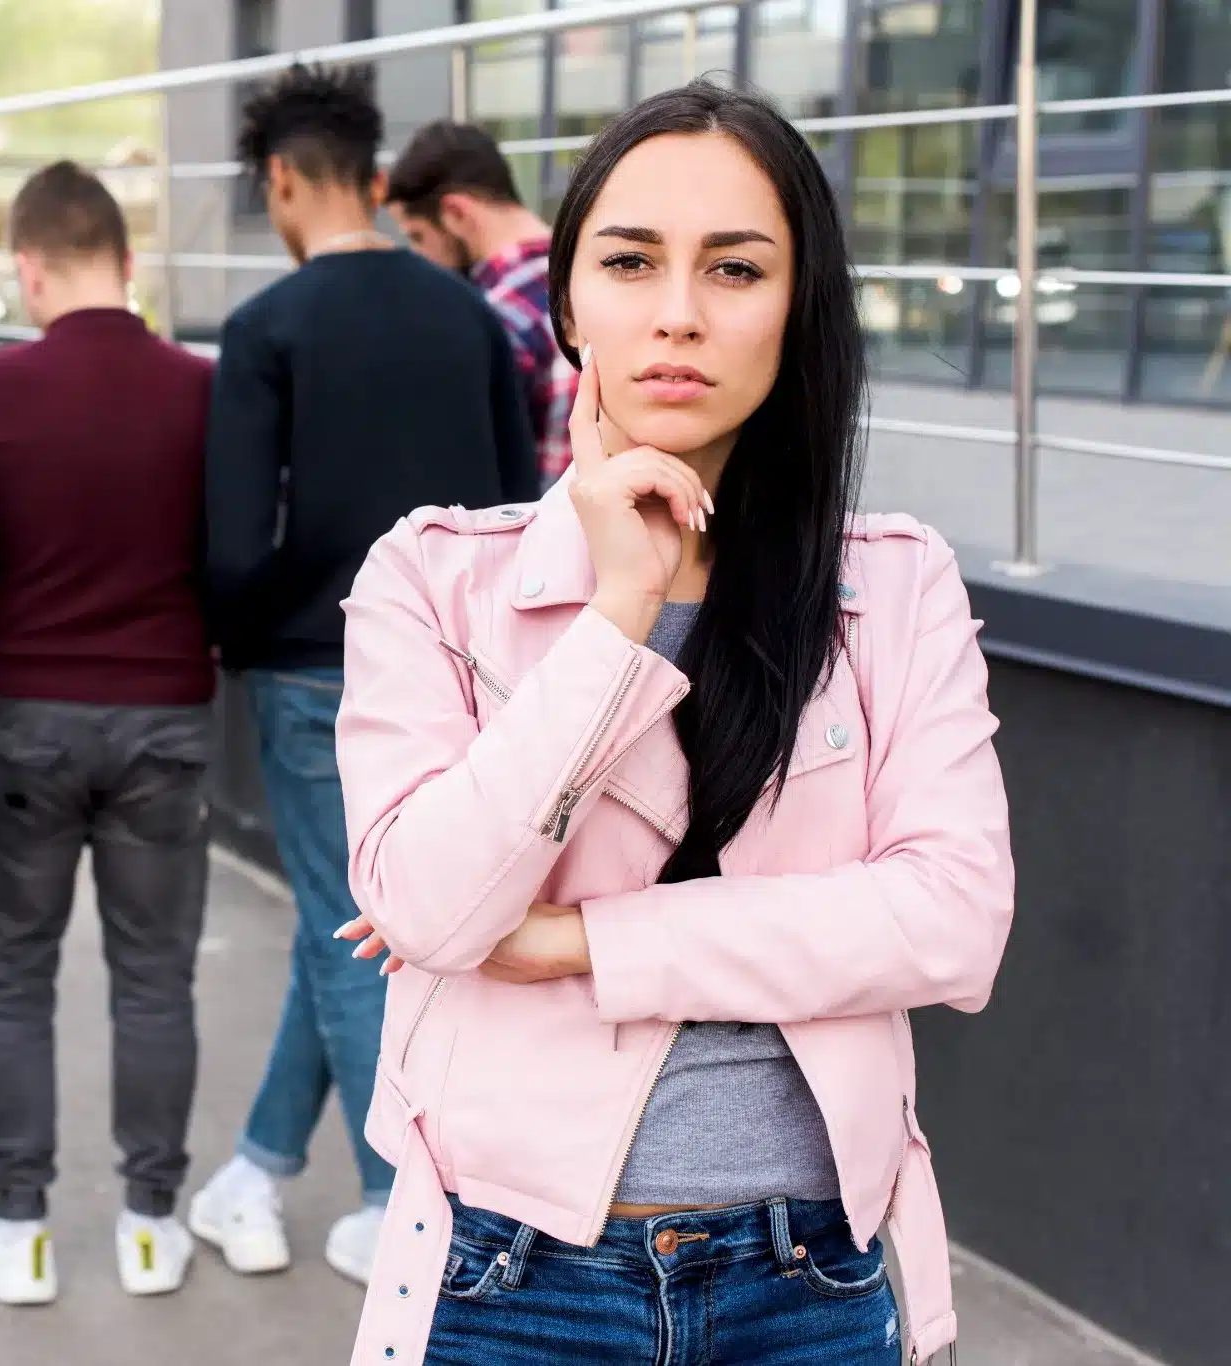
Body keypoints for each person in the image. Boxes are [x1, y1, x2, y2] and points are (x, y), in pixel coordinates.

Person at [331, 82, 1014, 1365]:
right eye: (630, 260)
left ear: (795, 309)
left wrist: (586, 940)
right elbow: (429, 910)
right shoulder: (432, 578)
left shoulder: (893, 581)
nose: (678, 315)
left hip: (809, 1273)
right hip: (513, 1275)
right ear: (569, 298)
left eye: (735, 267)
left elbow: (950, 919)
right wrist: (620, 611)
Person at [191, 62, 541, 1289]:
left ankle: (398, 1202)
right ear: (377, 179)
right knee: (349, 921)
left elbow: (233, 546)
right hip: (462, 670)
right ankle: (257, 1164)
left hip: (310, 670)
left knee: (354, 934)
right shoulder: (471, 321)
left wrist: (249, 627)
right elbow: (518, 507)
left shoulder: (265, 330)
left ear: (280, 179)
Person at [0, 161, 217, 1306]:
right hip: (164, 712)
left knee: (9, 982)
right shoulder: (200, 390)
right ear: (127, 260)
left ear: (26, 266)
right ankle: (150, 1224)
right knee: (153, 980)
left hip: (21, 716)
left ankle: (20, 1229)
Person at [387, 119, 581, 487]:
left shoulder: (493, 315)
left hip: (526, 537)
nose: (419, 255)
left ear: (456, 213)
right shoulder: (598, 276)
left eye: (417, 237)